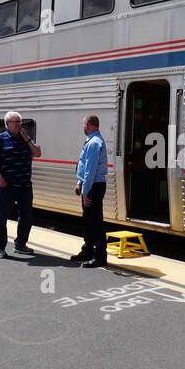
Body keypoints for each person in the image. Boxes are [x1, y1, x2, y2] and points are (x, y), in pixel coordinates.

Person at [0, 111, 40, 258]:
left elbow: (37, 153)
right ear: (7, 124)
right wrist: (1, 179)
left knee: (26, 217)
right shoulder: (0, 139)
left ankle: (20, 244)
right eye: (14, 122)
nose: (18, 124)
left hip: (25, 185)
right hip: (7, 186)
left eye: (19, 122)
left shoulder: (26, 139)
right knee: (1, 217)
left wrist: (28, 139)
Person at [72, 114, 108, 268]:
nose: (83, 128)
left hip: (94, 186)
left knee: (95, 221)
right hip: (90, 185)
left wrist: (85, 191)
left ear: (87, 125)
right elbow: (85, 166)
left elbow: (90, 169)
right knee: (88, 220)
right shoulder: (92, 141)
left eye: (83, 125)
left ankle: (100, 256)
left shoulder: (94, 143)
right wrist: (80, 183)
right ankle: (87, 250)